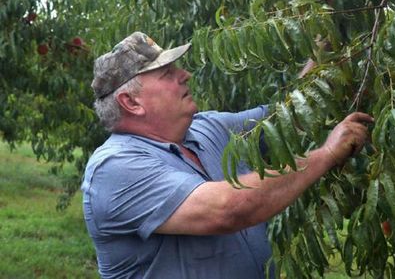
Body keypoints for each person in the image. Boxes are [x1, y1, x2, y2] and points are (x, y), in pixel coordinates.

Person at [82, 31, 373, 279]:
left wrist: (324, 42)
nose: (185, 75)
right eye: (168, 73)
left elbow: (289, 118)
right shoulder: (114, 169)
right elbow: (227, 209)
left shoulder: (207, 128)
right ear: (131, 101)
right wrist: (325, 155)